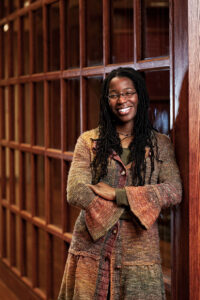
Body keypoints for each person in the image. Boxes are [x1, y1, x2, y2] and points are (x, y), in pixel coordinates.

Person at [58, 67, 182, 300]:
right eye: (114, 94)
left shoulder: (160, 144)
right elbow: (75, 191)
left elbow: (174, 191)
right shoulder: (89, 141)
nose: (122, 100)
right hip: (90, 249)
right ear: (106, 100)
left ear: (140, 96)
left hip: (140, 255)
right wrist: (141, 207)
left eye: (128, 92)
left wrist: (117, 194)